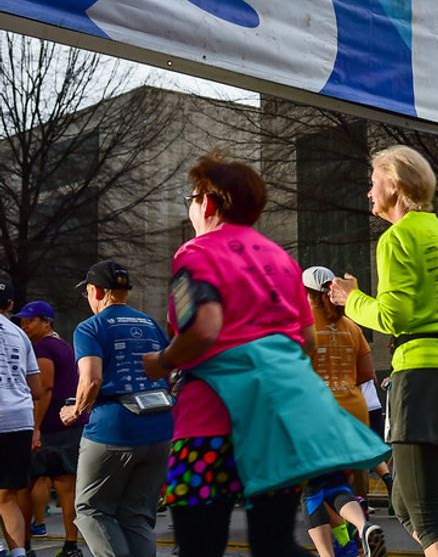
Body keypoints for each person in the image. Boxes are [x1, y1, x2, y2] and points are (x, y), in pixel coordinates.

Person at [143, 152, 388, 557]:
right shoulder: (282, 260)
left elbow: (202, 327)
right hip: (279, 425)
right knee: (274, 545)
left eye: (192, 197)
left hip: (211, 424)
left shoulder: (195, 253)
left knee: (198, 546)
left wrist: (163, 361)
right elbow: (306, 341)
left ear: (207, 202)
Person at [328, 145, 438, 557]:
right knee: (407, 504)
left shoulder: (397, 238)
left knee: (425, 515)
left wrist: (350, 299)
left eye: (373, 183)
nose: (369, 193)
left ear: (394, 184)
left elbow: (392, 317)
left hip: (421, 378)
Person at [64, 260, 173, 557]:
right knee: (136, 514)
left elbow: (92, 378)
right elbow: (168, 373)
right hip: (161, 428)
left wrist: (76, 410)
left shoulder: (90, 327)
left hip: (113, 429)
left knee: (90, 509)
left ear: (96, 291)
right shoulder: (150, 324)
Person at [301, 266, 389, 557]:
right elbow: (366, 374)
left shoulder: (302, 324)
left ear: (305, 293)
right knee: (336, 483)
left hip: (316, 417)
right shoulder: (351, 325)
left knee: (311, 489)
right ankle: (362, 527)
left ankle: (334, 553)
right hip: (353, 413)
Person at [16, 301, 86, 557]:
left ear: (47, 322)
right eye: (23, 321)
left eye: (30, 320)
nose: (25, 325)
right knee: (66, 486)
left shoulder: (43, 348)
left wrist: (35, 428)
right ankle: (71, 545)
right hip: (70, 424)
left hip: (49, 427)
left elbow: (44, 389)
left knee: (28, 484)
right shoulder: (63, 346)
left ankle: (24, 546)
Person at [0, 277, 42, 557]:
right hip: (19, 417)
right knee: (7, 495)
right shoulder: (20, 334)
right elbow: (36, 388)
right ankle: (17, 553)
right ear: (11, 304)